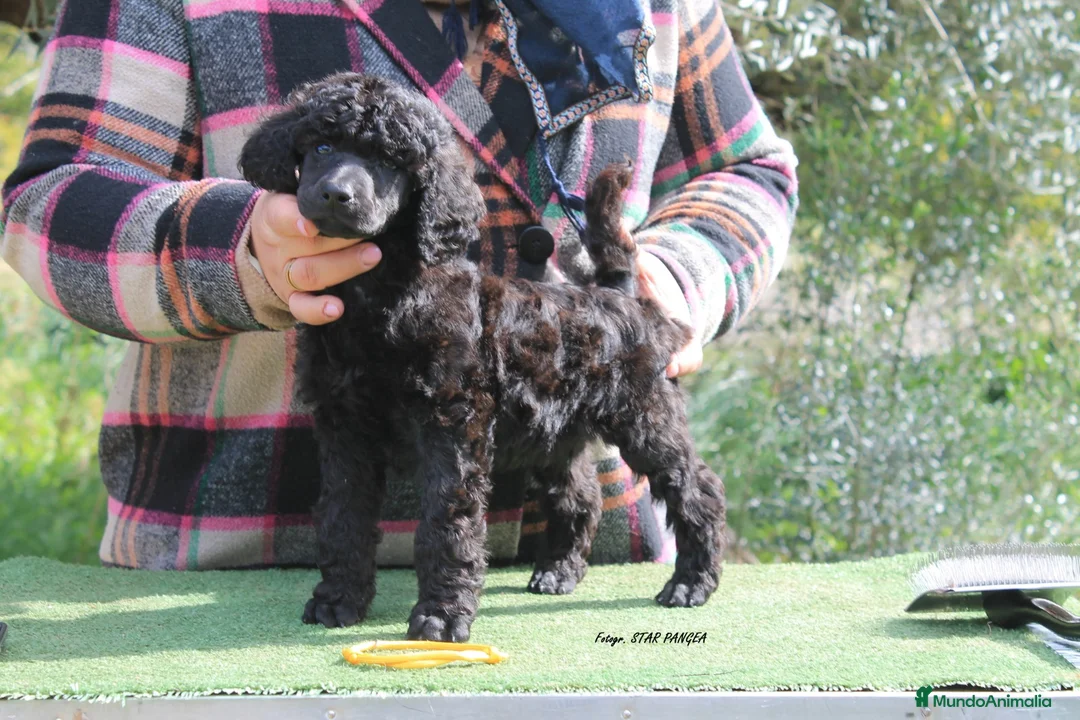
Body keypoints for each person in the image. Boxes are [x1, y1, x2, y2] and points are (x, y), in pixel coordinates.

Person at [0, 0, 797, 570]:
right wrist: (235, 248)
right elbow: (49, 203)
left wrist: (680, 273)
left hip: (586, 569)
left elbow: (748, 170)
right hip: (241, 560)